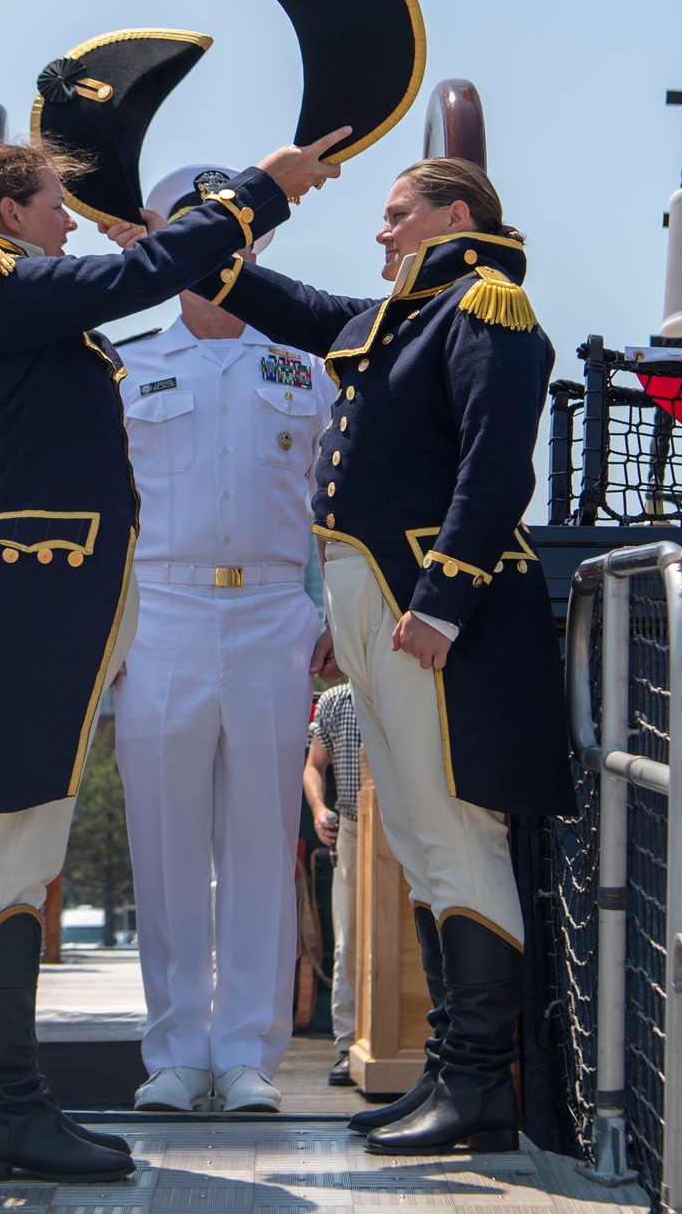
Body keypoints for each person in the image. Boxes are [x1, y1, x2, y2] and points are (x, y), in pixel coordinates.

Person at [0, 128, 347, 1183]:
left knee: (33, 850)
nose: (72, 222)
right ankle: (8, 1109)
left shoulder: (14, 293)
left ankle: (22, 1103)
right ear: (10, 214)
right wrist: (261, 192)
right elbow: (139, 274)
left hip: (65, 607)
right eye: (57, 206)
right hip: (49, 605)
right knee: (25, 850)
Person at [181, 156, 575, 1156]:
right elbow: (283, 298)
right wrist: (173, 238)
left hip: (429, 605)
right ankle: (451, 1072)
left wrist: (443, 600)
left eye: (396, 214)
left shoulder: (484, 303)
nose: (380, 232)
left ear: (453, 214)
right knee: (414, 830)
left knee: (454, 835)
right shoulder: (399, 319)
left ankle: (482, 1084)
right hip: (374, 600)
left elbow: (497, 460)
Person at [112, 165, 337, 1115]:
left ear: (257, 246)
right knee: (163, 844)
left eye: (233, 233)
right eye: (197, 231)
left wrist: (337, 611)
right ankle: (173, 1054)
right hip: (157, 610)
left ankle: (246, 1053)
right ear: (164, 240)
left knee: (259, 843)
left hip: (277, 615)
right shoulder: (121, 366)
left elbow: (342, 499)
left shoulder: (311, 367)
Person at [302, 682, 361, 1085]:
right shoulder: (336, 700)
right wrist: (320, 809)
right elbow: (313, 765)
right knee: (349, 937)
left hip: (410, 823)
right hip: (356, 825)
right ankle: (348, 1043)